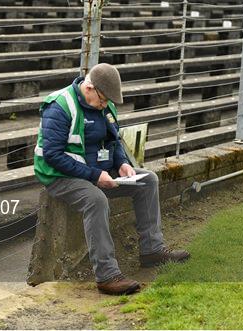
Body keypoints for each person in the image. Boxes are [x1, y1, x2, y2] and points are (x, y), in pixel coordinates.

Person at [33, 63, 190, 295]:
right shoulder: (60, 105)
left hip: (98, 171)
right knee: (96, 200)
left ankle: (152, 250)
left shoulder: (106, 106)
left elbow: (114, 141)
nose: (105, 105)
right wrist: (95, 176)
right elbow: (53, 155)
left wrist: (122, 163)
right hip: (61, 175)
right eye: (103, 99)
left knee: (148, 180)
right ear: (89, 87)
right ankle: (106, 275)